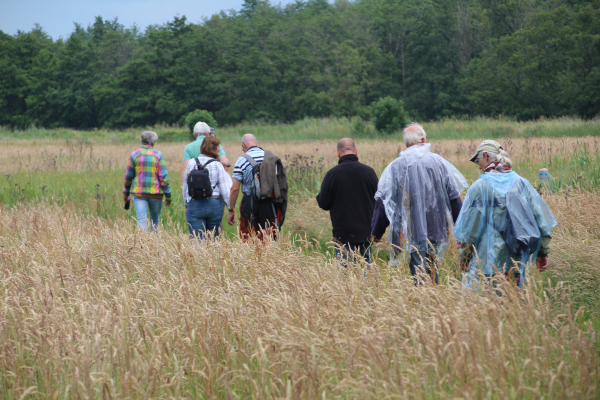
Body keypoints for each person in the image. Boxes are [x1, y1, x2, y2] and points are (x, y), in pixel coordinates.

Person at [371, 123, 468, 285]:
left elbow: (384, 201)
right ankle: (432, 294)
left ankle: (425, 297)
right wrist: (462, 229)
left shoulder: (396, 166)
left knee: (417, 262)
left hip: (410, 227)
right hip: (437, 225)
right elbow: (454, 198)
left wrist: (376, 232)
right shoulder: (438, 162)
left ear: (406, 143)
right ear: (423, 139)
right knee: (432, 261)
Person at [454, 140, 557, 289]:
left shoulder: (478, 187)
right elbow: (540, 220)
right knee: (512, 304)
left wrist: (464, 256)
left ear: (486, 156)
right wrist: (542, 252)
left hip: (485, 262)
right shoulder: (521, 184)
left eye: (478, 161)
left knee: (487, 305)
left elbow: (470, 229)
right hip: (515, 260)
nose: (479, 167)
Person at [316, 138, 378, 264]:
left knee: (345, 273)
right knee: (365, 267)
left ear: (338, 153)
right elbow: (380, 201)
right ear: (356, 152)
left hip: (342, 234)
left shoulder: (332, 174)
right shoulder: (369, 172)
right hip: (366, 232)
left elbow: (323, 203)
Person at [227, 134, 286, 241]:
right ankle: (267, 257)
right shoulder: (270, 157)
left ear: (243, 145)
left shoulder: (241, 160)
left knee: (248, 237)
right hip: (268, 202)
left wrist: (231, 209)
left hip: (249, 202)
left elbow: (235, 189)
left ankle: (252, 257)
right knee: (268, 237)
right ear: (257, 144)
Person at [182, 136, 232, 240]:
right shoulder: (218, 165)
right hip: (214, 205)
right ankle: (212, 256)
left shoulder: (191, 162)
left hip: (195, 204)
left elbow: (186, 187)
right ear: (213, 148)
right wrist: (230, 209)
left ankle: (200, 255)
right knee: (213, 240)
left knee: (197, 241)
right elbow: (225, 190)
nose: (219, 149)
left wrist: (187, 205)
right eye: (218, 146)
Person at [123, 131, 172, 231]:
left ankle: (142, 245)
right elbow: (163, 177)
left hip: (138, 193)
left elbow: (128, 177)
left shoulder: (134, 155)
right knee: (155, 221)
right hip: (156, 194)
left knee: (141, 220)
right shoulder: (158, 155)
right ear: (153, 142)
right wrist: (168, 195)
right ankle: (153, 245)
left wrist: (126, 194)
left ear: (141, 141)